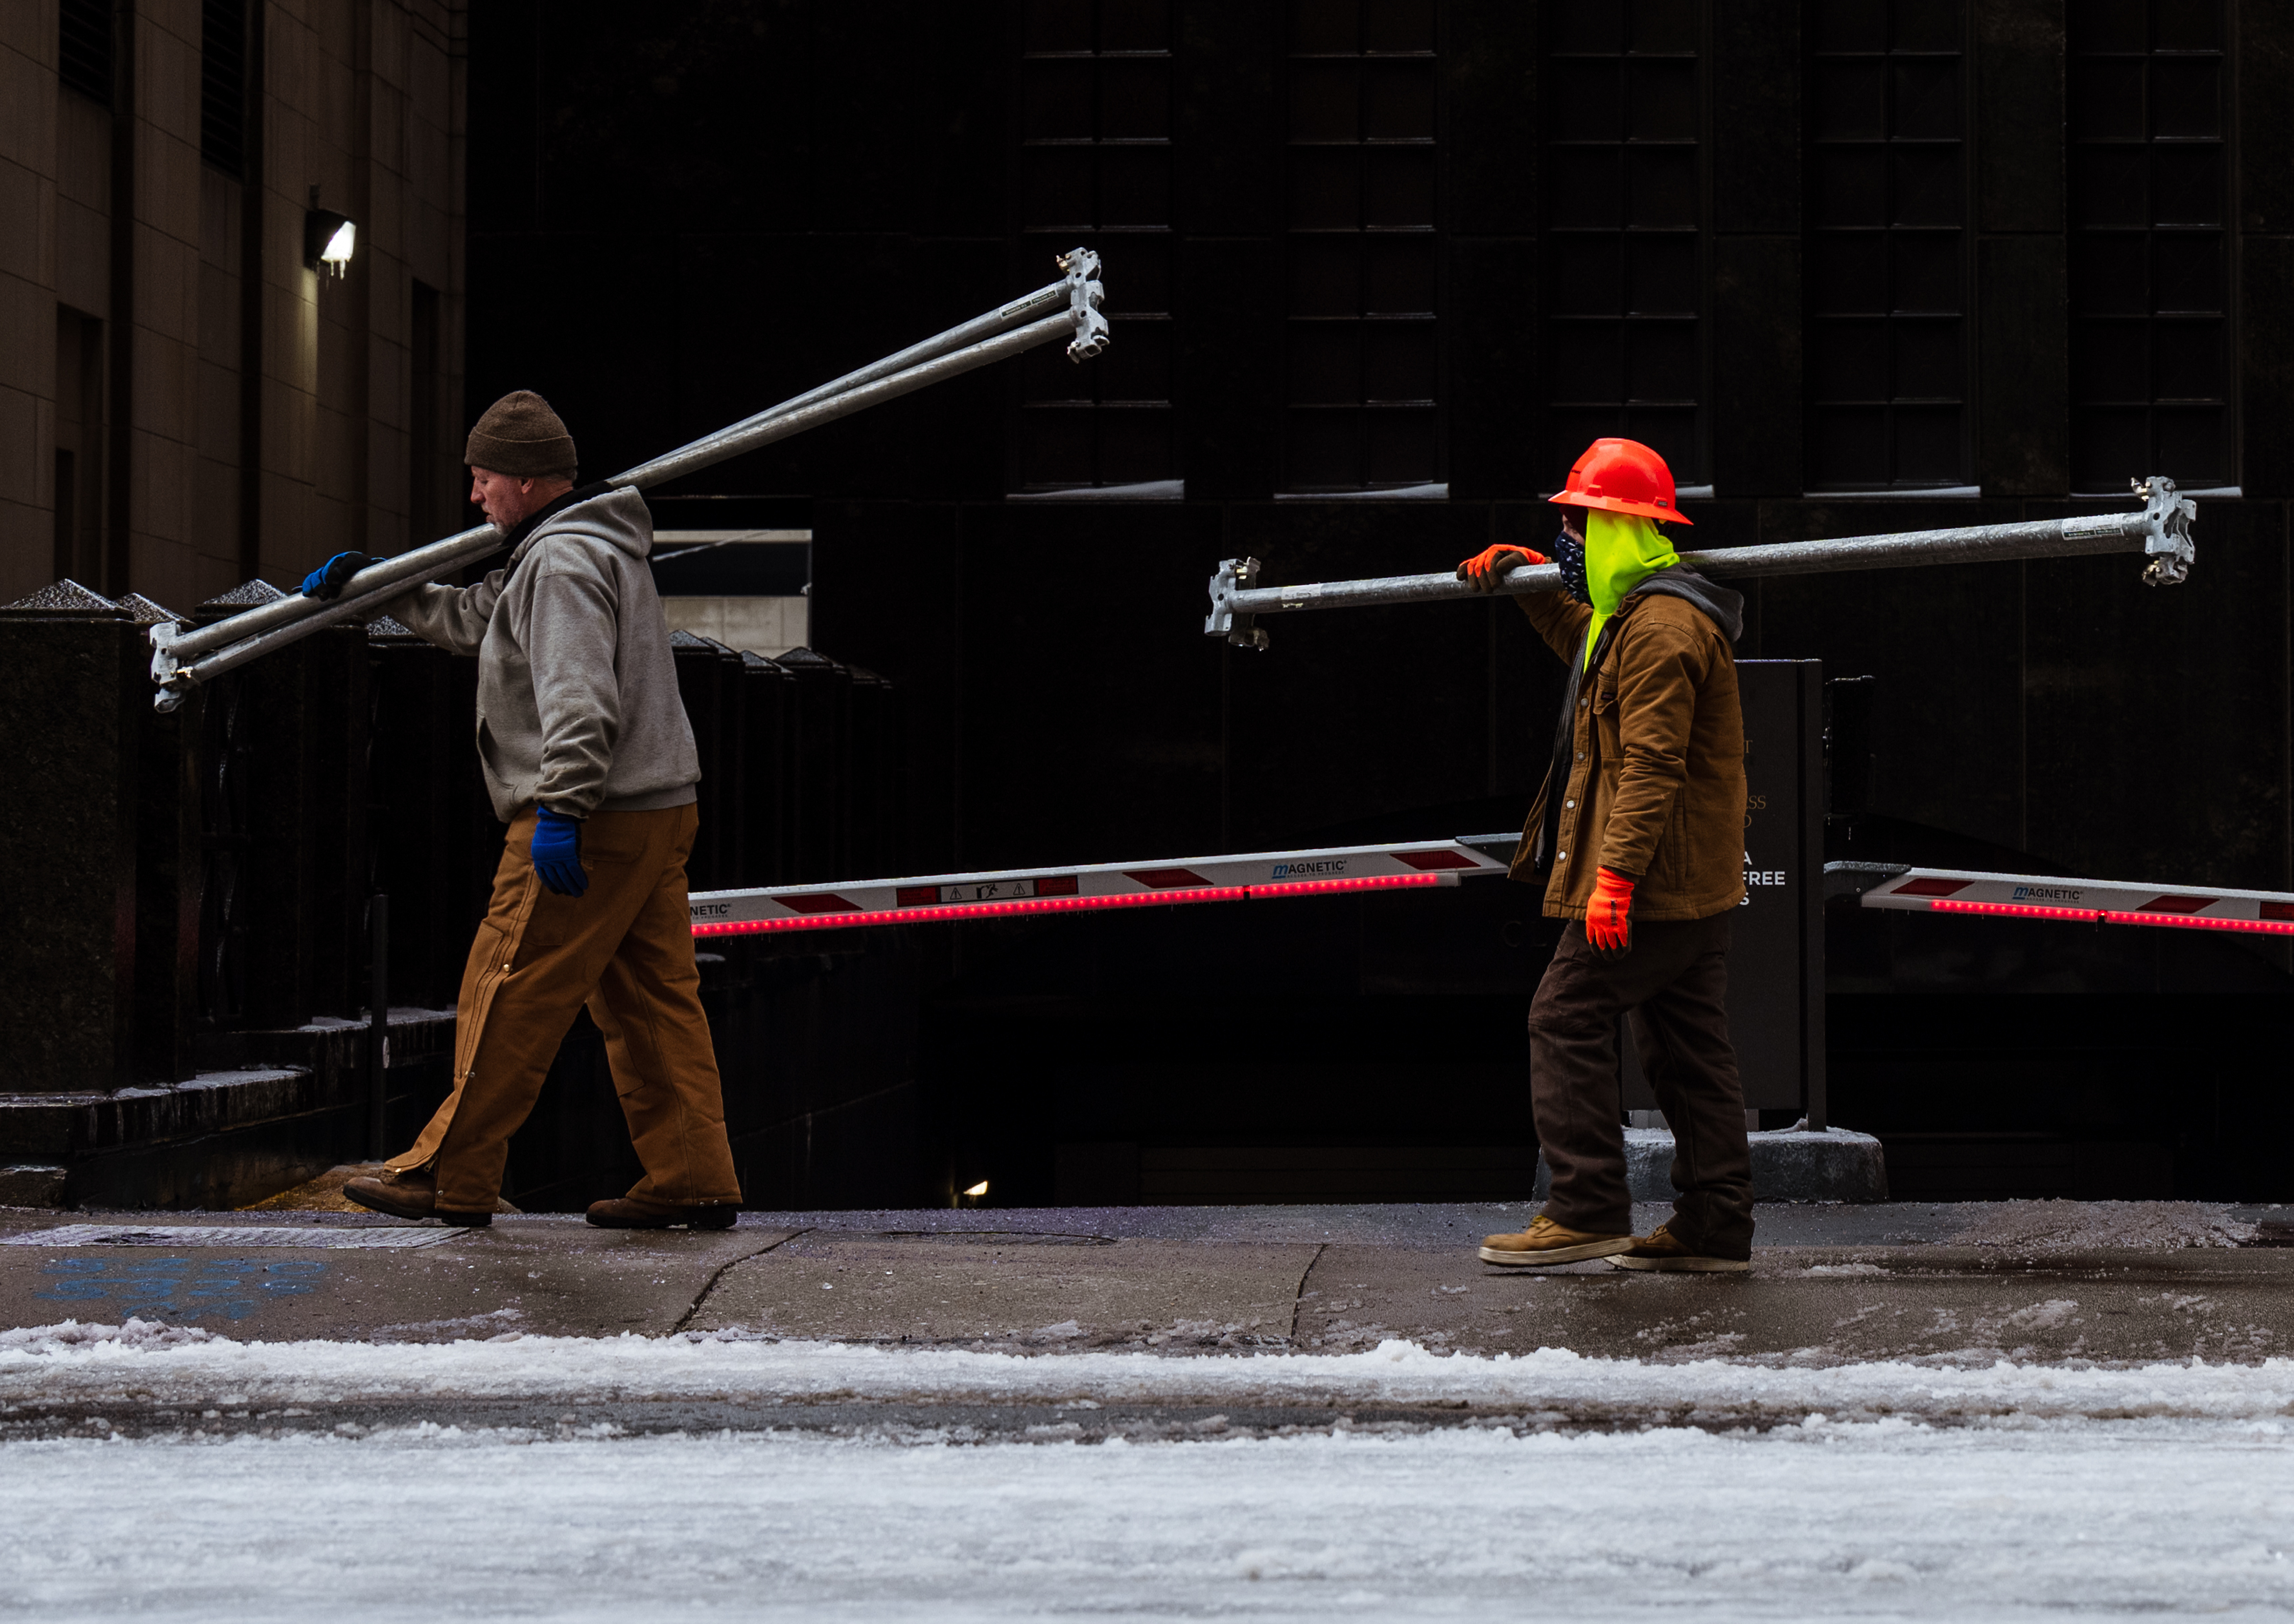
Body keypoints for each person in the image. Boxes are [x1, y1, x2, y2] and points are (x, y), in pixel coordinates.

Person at [306, 390, 744, 1229]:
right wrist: (381, 589)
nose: (475, 498)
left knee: (508, 988)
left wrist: (561, 809)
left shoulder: (563, 562)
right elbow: (480, 620)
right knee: (653, 1003)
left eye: (482, 480)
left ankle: (449, 1174)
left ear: (526, 480)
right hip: (656, 808)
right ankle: (692, 1172)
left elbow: (580, 700)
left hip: (597, 816)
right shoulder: (587, 548)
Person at [1455, 438, 1753, 1272]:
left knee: (1562, 1017)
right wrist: (1524, 584)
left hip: (1653, 884)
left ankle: (1584, 1208)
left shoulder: (1662, 628)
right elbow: (1588, 647)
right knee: (1686, 1049)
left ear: (1622, 528)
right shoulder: (1643, 617)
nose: (1569, 545)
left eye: (1580, 526)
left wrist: (1614, 880)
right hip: (1689, 883)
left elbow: (1653, 766)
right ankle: (1715, 1225)